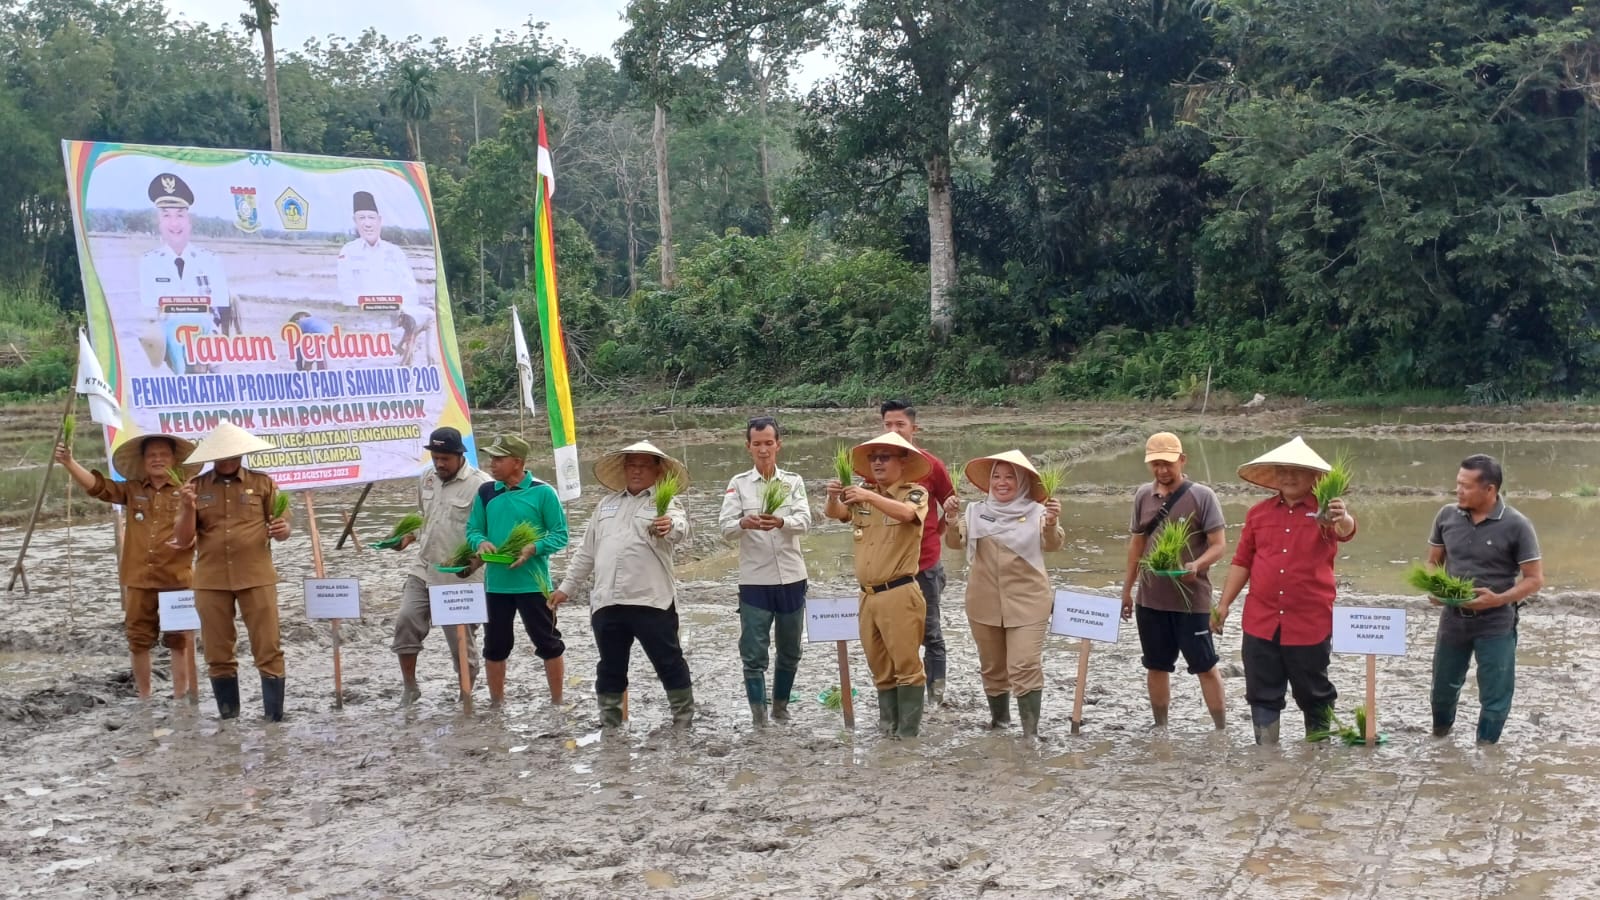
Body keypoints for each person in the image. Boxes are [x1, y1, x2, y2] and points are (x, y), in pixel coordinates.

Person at [1212, 437, 1356, 744]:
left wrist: (1342, 516)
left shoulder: (1325, 513)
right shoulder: (1258, 514)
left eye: (1297, 471)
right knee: (1262, 691)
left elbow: (1346, 530)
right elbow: (1242, 562)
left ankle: (1318, 753)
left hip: (1309, 620)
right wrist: (1223, 604)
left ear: (1315, 477)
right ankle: (1267, 753)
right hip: (1261, 619)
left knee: (1314, 691)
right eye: (1282, 470)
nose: (1289, 477)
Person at [550, 442, 695, 728]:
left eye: (644, 465)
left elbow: (679, 528)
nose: (637, 470)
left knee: (669, 662)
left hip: (651, 601)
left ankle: (683, 718)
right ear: (624, 469)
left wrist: (668, 526)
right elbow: (586, 551)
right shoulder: (606, 505)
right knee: (610, 667)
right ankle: (611, 723)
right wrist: (566, 588)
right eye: (632, 465)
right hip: (607, 601)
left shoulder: (666, 504)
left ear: (657, 471)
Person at [55, 431, 200, 701]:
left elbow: (196, 533)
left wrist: (188, 506)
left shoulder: (188, 493)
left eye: (163, 454)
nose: (157, 459)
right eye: (152, 455)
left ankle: (180, 697)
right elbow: (98, 487)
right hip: (138, 580)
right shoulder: (132, 490)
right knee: (138, 640)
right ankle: (145, 697)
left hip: (177, 580)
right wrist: (69, 463)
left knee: (180, 640)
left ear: (174, 459)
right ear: (144, 460)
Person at [171, 422, 291, 721]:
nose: (226, 459)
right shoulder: (195, 488)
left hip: (257, 577)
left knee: (268, 647)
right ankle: (229, 717)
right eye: (220, 454)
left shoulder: (263, 484)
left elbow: (284, 527)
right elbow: (184, 540)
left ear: (241, 452)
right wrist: (186, 508)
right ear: (211, 455)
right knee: (217, 653)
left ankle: (274, 718)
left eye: (231, 453)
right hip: (211, 581)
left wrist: (281, 529)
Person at [942, 451, 1063, 738]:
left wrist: (1052, 522)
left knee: (1024, 664)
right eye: (996, 476)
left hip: (1029, 602)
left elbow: (1054, 544)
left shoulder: (1038, 513)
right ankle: (1000, 722)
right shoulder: (975, 512)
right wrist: (950, 519)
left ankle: (1030, 732)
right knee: (993, 667)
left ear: (1022, 482)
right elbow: (954, 543)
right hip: (983, 602)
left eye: (1010, 476)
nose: (1002, 482)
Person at [1425, 454, 1543, 744]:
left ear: (1490, 490)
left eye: (1466, 486)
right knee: (1442, 688)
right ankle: (1440, 737)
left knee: (1494, 692)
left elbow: (1534, 579)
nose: (1458, 491)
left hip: (1495, 622)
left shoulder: (1517, 525)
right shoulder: (1446, 516)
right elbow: (1433, 562)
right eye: (1457, 484)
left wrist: (1498, 599)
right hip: (1454, 619)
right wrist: (1435, 588)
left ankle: (1486, 749)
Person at [1121, 432, 1229, 730]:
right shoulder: (1143, 495)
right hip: (1151, 599)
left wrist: (1197, 563)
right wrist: (1127, 590)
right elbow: (1136, 546)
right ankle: (1161, 726)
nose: (1162, 470)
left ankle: (1221, 728)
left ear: (1182, 460)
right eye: (1155, 464)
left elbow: (1219, 544)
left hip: (1191, 600)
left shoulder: (1202, 496)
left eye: (1168, 463)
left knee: (1205, 665)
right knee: (1156, 665)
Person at [826, 431, 931, 738]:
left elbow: (908, 515)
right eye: (873, 458)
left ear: (903, 462)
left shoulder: (914, 494)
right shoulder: (863, 494)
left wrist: (870, 496)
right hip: (868, 596)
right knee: (880, 667)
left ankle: (907, 733)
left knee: (907, 667)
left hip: (899, 592)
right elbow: (836, 514)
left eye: (885, 457)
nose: (878, 463)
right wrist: (834, 495)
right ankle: (889, 727)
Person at [717, 416, 811, 726]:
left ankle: (780, 708)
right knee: (753, 652)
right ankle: (759, 716)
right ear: (748, 447)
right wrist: (744, 523)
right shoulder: (738, 484)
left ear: (778, 445)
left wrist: (782, 522)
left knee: (790, 649)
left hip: (792, 578)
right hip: (755, 581)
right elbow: (725, 528)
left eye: (768, 443)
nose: (763, 449)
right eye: (757, 444)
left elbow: (806, 521)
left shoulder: (792, 482)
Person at [464, 434, 570, 707]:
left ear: (517, 462)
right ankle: (497, 703)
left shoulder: (543, 492)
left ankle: (557, 701)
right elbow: (473, 529)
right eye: (492, 458)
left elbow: (560, 535)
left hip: (533, 583)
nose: (493, 464)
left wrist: (533, 548)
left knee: (548, 642)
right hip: (496, 585)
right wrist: (481, 542)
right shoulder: (487, 492)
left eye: (499, 459)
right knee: (495, 646)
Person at [390, 427, 493, 704]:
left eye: (444, 458)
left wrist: (473, 562)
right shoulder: (426, 478)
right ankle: (409, 688)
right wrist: (407, 536)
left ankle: (466, 695)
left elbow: (491, 536)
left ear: (460, 455)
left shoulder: (482, 485)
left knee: (461, 642)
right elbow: (424, 517)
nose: (439, 464)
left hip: (461, 576)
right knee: (406, 621)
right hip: (424, 568)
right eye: (435, 457)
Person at [880, 400, 957, 705]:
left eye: (900, 424)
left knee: (931, 634)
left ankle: (936, 698)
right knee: (894, 636)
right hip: (889, 567)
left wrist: (933, 537)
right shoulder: (877, 463)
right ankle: (903, 694)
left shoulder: (931, 465)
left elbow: (949, 502)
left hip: (924, 565)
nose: (893, 430)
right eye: (888, 424)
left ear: (914, 428)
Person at [137, 172, 228, 375]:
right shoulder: (148, 263)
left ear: (189, 221)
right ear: (158, 222)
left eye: (180, 215)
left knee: (215, 375)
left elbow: (219, 309)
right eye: (166, 215)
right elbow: (149, 311)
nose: (174, 223)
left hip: (205, 338)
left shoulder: (211, 261)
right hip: (170, 342)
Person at [335, 190, 432, 365]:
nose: (367, 224)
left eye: (371, 218)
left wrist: (393, 306)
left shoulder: (395, 253)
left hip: (395, 328)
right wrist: (375, 304)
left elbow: (410, 292)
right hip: (362, 333)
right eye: (361, 218)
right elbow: (346, 293)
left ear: (379, 220)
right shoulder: (348, 252)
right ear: (355, 222)